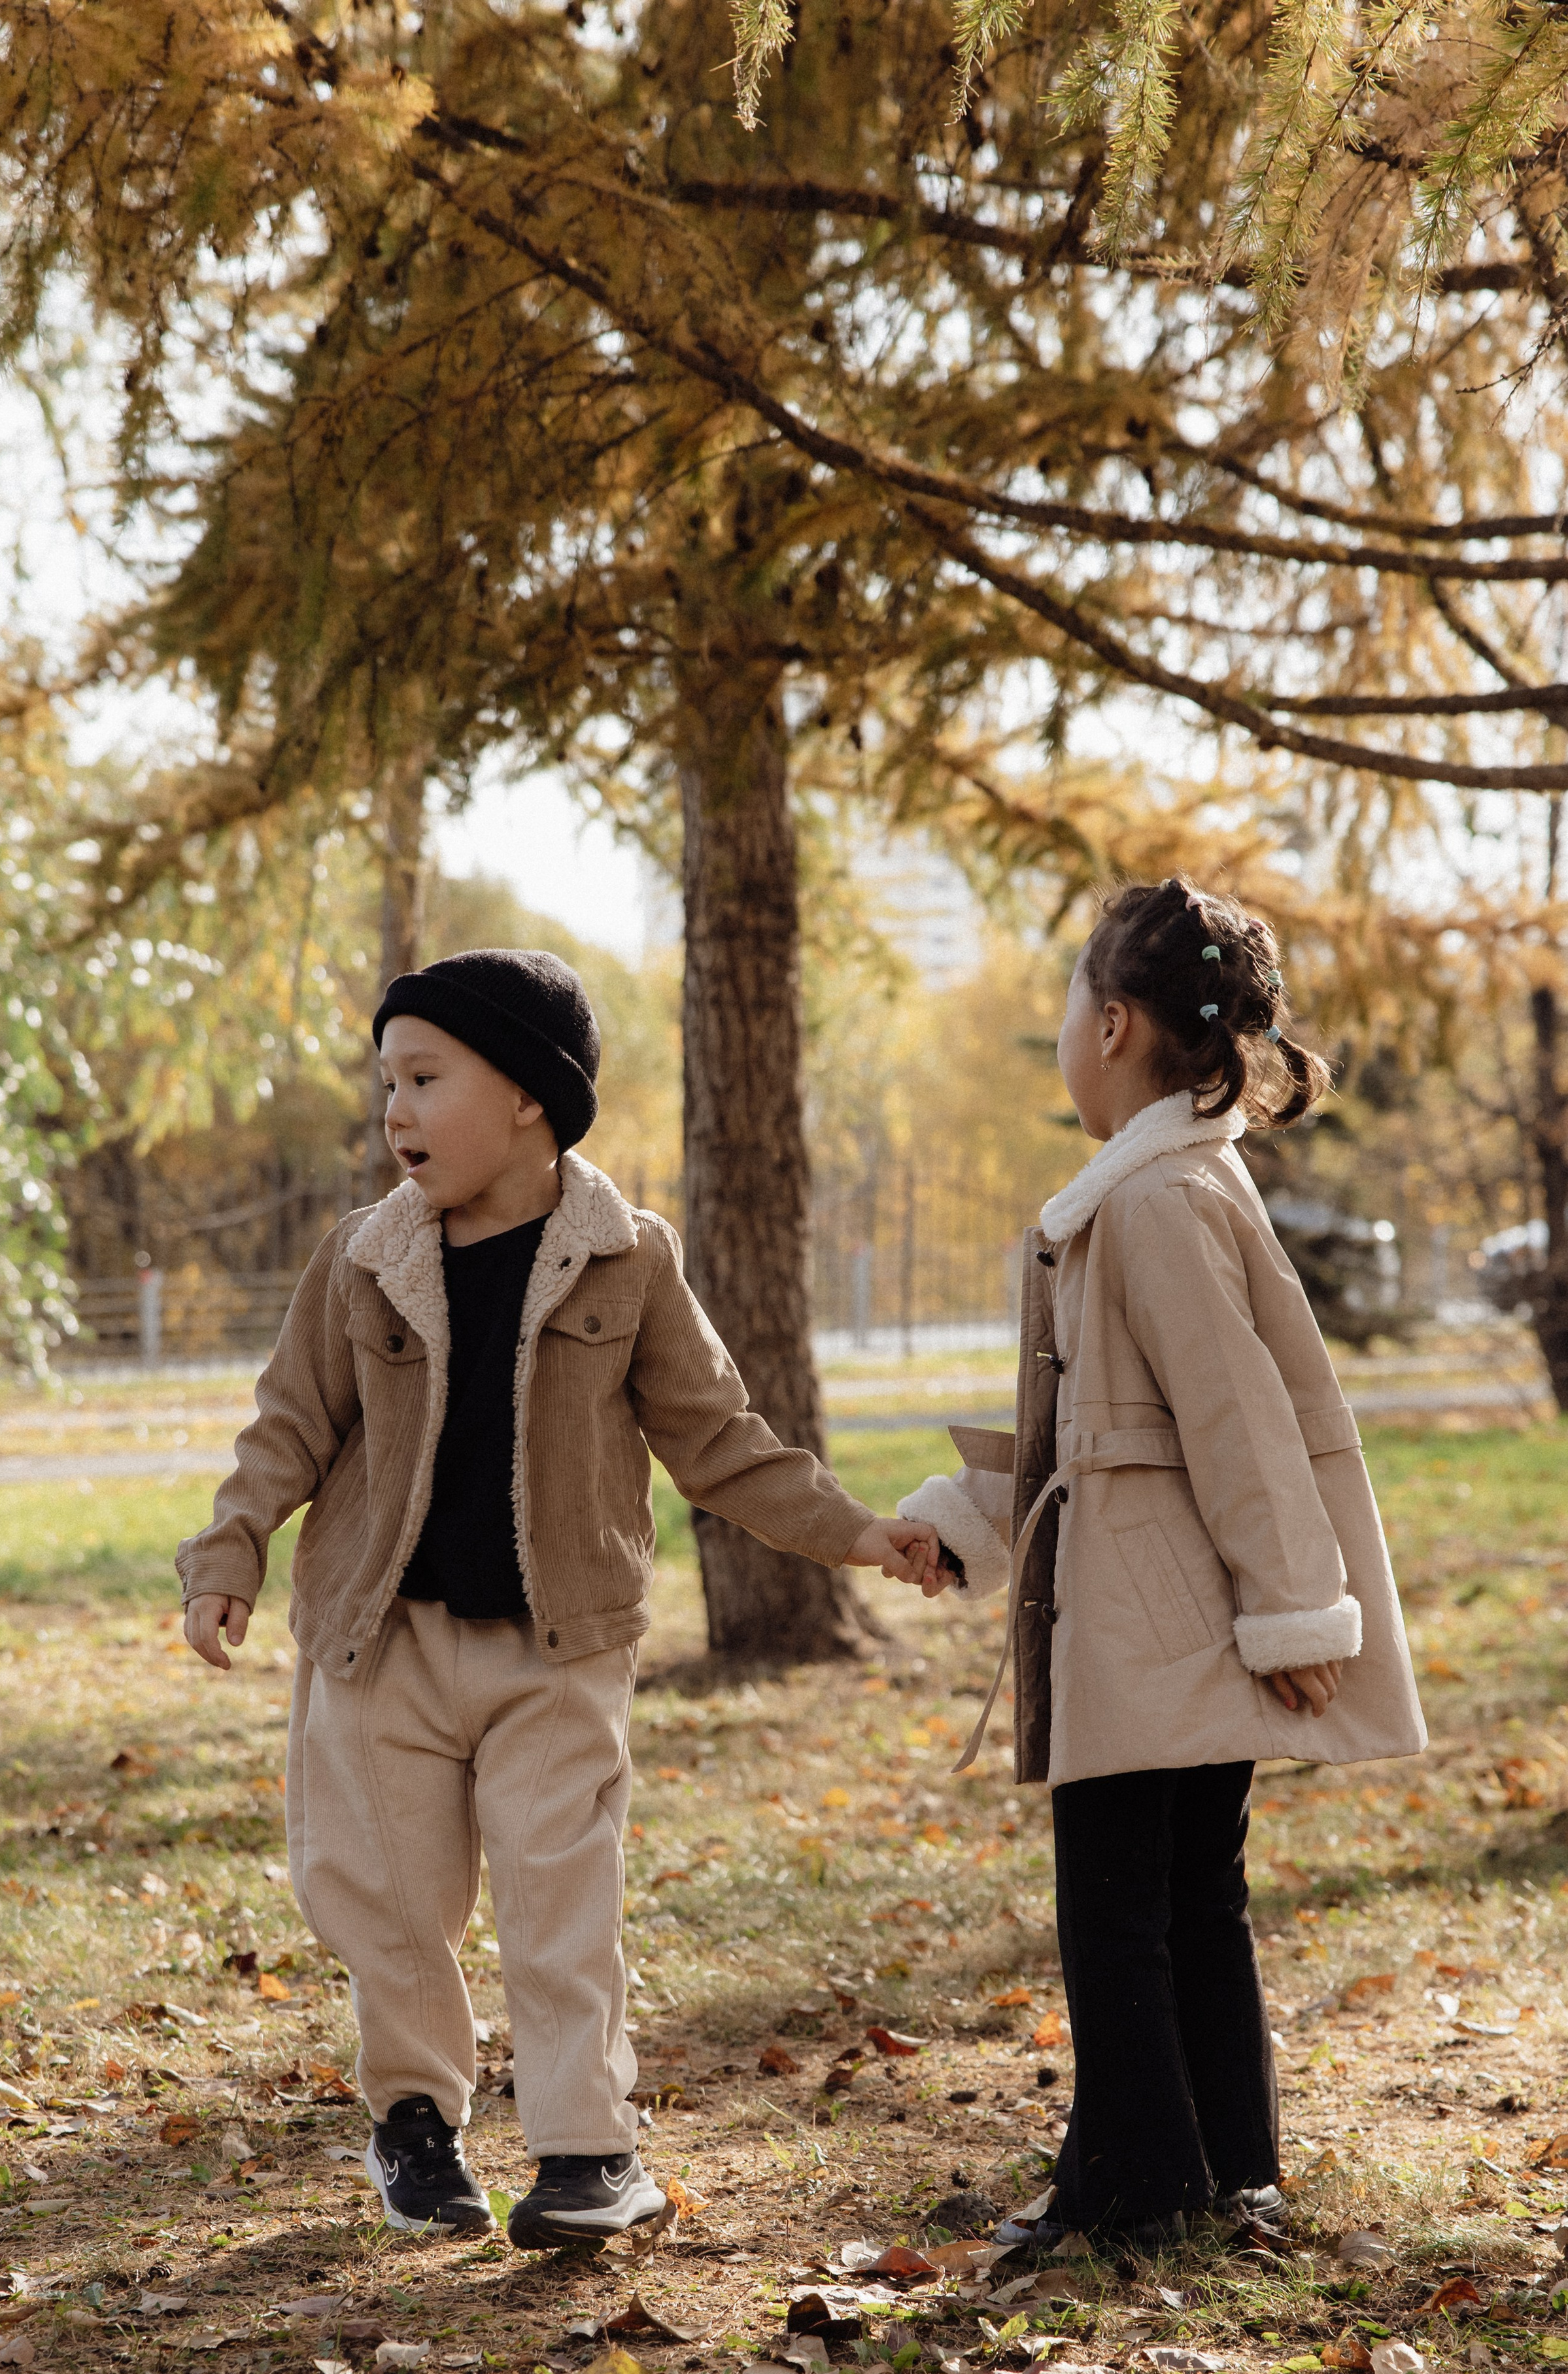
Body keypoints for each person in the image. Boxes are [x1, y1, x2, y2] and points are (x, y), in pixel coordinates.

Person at [178, 947, 940, 2248]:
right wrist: (229, 1552)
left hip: (558, 1646)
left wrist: (858, 1534)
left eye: (424, 1079)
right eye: (387, 1086)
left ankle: (587, 2150)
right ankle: (414, 2123)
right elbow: (288, 1426)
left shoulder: (626, 1260)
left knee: (556, 1893)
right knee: (392, 1897)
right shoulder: (359, 1258)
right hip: (385, 1642)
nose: (395, 1113)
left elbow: (719, 1440)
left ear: (526, 1094)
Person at [898, 878, 1424, 2250]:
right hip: (1164, 1599)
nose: (1066, 1031)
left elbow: (1237, 1421)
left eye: (1071, 1006)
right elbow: (1095, 1426)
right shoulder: (1160, 1188)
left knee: (1116, 1906)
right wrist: (964, 1519)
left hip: (1152, 1620)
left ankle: (1136, 2180)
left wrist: (1293, 1614)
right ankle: (1212, 2158)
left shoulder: (1150, 1202)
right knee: (1190, 1891)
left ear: (1115, 1024)